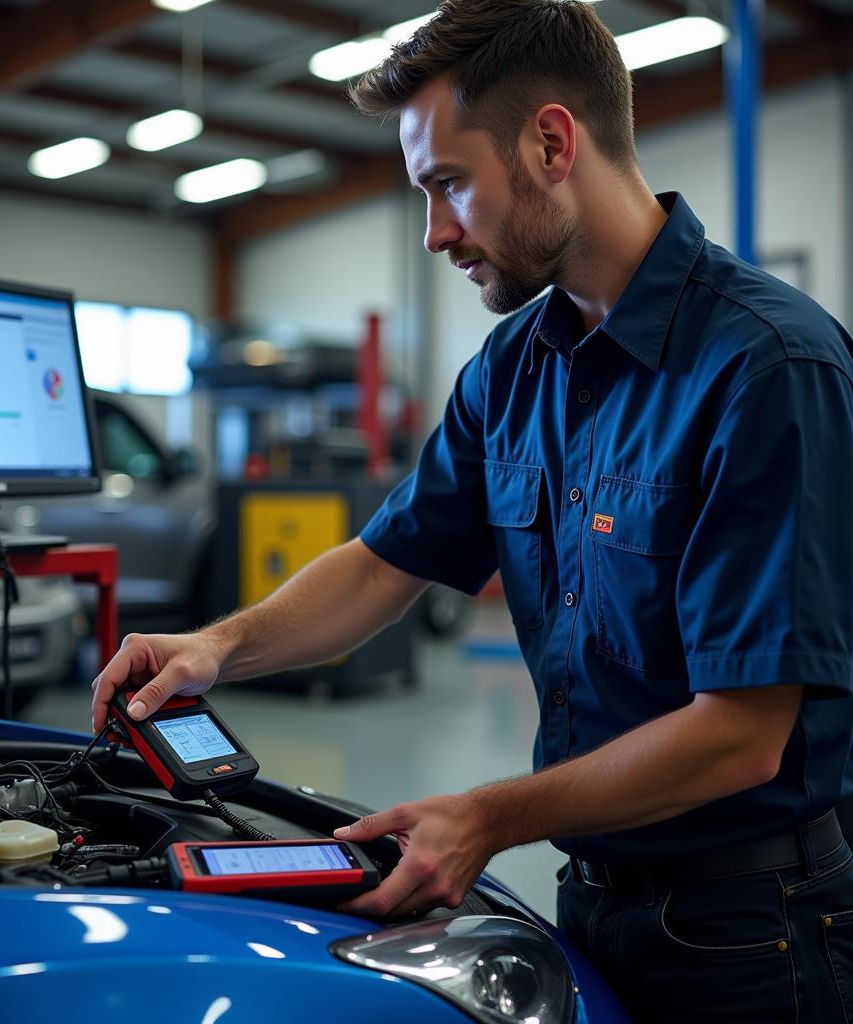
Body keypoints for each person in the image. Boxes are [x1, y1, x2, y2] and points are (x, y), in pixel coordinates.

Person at [91, 1, 853, 1019]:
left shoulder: (766, 367)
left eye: (448, 184)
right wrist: (216, 646)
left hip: (755, 929)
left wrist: (488, 815)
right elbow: (383, 562)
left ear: (550, 142)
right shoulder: (509, 368)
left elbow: (742, 735)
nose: (434, 232)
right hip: (590, 897)